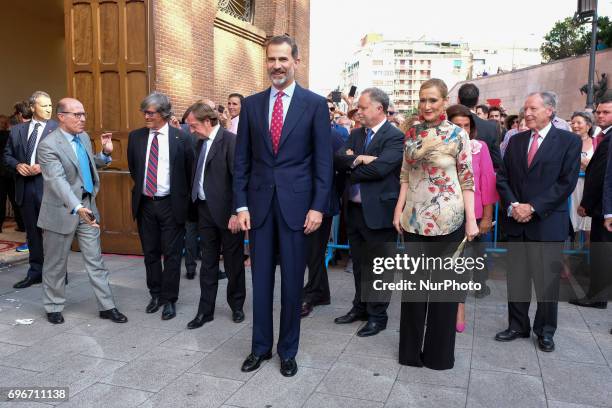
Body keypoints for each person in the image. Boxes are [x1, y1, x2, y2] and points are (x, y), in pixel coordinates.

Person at [234, 35, 332, 377]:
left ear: (296, 62)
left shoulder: (315, 105)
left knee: (293, 283)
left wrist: (318, 207)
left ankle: (287, 350)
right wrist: (241, 205)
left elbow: (323, 162)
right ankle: (260, 347)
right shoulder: (251, 104)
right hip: (259, 208)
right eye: (271, 59)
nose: (277, 65)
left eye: (283, 60)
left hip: (298, 209)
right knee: (260, 282)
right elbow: (241, 161)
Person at [393, 79, 478, 370]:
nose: (427, 106)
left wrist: (471, 220)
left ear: (444, 101)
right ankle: (410, 354)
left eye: (432, 100)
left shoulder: (457, 135)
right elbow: (405, 174)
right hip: (414, 221)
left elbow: (467, 179)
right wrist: (398, 209)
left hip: (449, 220)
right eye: (423, 100)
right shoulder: (411, 132)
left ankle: (439, 356)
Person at [495, 92, 581, 352]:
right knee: (517, 279)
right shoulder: (516, 140)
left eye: (533, 108)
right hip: (516, 222)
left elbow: (565, 183)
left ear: (550, 110)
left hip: (546, 222)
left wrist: (532, 207)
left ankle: (545, 331)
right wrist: (513, 205)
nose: (527, 113)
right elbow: (503, 177)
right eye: (525, 108)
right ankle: (517, 325)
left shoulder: (568, 141)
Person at [36, 97, 127, 324]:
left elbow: (84, 166)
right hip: (61, 211)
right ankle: (53, 306)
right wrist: (77, 208)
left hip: (88, 206)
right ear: (61, 117)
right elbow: (57, 181)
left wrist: (104, 155)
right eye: (77, 115)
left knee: (96, 260)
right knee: (56, 264)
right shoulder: (48, 145)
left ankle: (107, 306)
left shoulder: (84, 138)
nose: (83, 119)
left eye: (84, 114)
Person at [333, 88, 404, 336]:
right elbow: (338, 160)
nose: (359, 112)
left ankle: (377, 315)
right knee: (360, 263)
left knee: (380, 267)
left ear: (379, 109)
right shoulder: (354, 134)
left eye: (363, 108)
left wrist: (354, 164)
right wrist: (358, 160)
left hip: (380, 212)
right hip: (353, 210)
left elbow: (382, 169)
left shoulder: (394, 137)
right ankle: (360, 307)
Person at [127, 92, 194, 321]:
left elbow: (188, 172)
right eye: (144, 112)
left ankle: (169, 300)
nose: (146, 116)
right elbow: (135, 170)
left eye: (151, 112)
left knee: (172, 255)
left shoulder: (181, 138)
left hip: (170, 205)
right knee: (150, 253)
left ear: (164, 114)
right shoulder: (135, 137)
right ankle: (155, 294)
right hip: (145, 204)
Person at [184, 102, 246, 328]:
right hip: (204, 211)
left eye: (193, 126)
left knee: (233, 263)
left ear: (208, 122)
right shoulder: (200, 143)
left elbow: (239, 180)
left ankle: (237, 305)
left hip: (228, 214)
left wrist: (236, 212)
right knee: (208, 263)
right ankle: (205, 310)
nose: (191, 131)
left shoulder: (231, 141)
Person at [447, 104, 497, 330]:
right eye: (458, 125)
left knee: (461, 266)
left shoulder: (480, 148)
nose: (463, 130)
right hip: (442, 216)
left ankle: (459, 307)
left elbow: (487, 182)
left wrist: (486, 217)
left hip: (471, 216)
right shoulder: (438, 147)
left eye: (466, 126)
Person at [4, 91, 58, 289]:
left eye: (50, 105)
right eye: (44, 106)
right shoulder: (17, 130)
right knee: (32, 233)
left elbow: (66, 158)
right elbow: (7, 155)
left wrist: (44, 166)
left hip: (50, 187)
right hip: (25, 187)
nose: (49, 109)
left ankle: (57, 274)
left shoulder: (58, 128)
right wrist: (17, 165)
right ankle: (35, 272)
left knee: (53, 234)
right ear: (33, 107)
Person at [572, 96, 612, 309]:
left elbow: (601, 176)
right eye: (599, 112)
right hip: (602, 206)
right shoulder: (604, 136)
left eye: (606, 112)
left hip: (603, 208)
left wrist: (587, 203)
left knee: (602, 253)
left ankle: (597, 296)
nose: (600, 115)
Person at [301, 127, 345, 318]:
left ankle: (312, 294)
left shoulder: (332, 135)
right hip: (301, 201)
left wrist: (332, 196)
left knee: (313, 252)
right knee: (311, 252)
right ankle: (320, 292)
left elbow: (340, 166)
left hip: (321, 204)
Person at [456, 83, 503, 171]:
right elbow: (496, 162)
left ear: (458, 99)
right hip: (480, 178)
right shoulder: (491, 128)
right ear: (477, 101)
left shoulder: (449, 124)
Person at [569, 112, 596, 239]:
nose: (575, 126)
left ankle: (588, 256)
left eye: (579, 123)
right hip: (571, 188)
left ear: (588, 125)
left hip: (589, 187)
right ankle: (568, 255)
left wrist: (589, 166)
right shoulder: (567, 143)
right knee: (570, 221)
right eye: (573, 123)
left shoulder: (596, 143)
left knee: (589, 224)